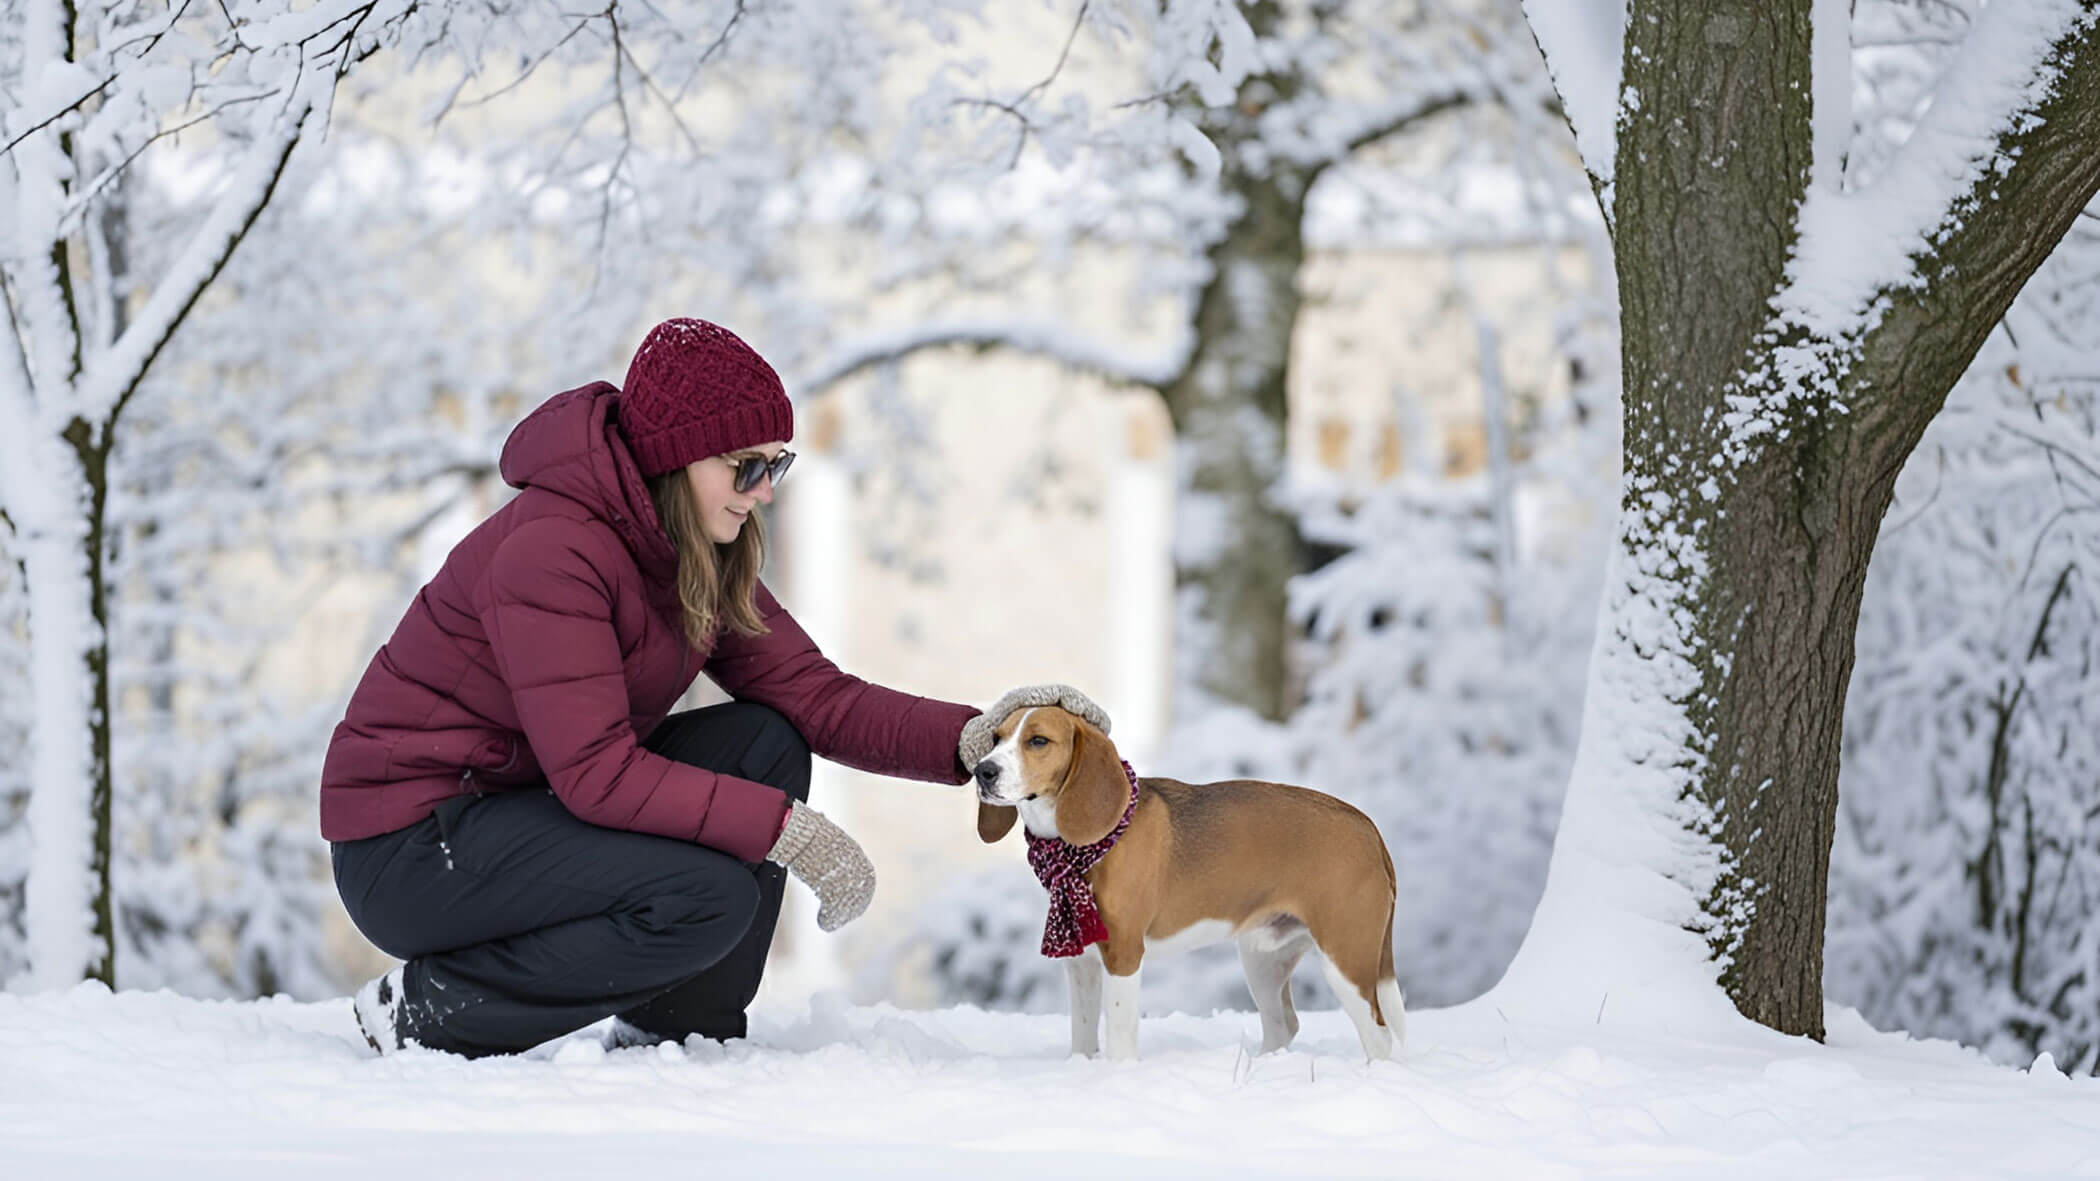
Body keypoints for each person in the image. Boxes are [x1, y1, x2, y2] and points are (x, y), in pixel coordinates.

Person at [322, 317, 1108, 1058]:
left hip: (519, 805)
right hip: (412, 844)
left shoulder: (690, 550)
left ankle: (680, 1036)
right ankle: (429, 1009)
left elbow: (815, 694)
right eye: (747, 466)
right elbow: (596, 773)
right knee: (707, 896)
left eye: (776, 465)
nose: (764, 489)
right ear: (677, 458)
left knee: (765, 743)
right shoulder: (552, 550)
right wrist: (789, 831)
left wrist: (981, 738)